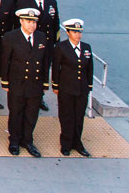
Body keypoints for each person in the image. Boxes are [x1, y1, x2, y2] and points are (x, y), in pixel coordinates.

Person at [1, 8, 49, 157]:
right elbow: (5, 60)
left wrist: (45, 83)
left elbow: (45, 61)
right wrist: (5, 82)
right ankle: (14, 141)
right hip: (17, 83)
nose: (31, 25)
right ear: (21, 21)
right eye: (28, 21)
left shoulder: (41, 37)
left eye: (34, 22)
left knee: (31, 114)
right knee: (16, 113)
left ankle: (28, 141)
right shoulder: (11, 37)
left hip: (35, 84)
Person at [52, 19, 93, 157]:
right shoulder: (61, 47)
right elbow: (56, 67)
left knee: (79, 117)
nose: (78, 35)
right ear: (68, 32)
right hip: (66, 88)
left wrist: (89, 86)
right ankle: (66, 143)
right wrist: (55, 85)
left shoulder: (86, 47)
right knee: (67, 116)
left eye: (79, 32)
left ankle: (77, 142)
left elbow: (89, 68)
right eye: (74, 32)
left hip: (81, 89)